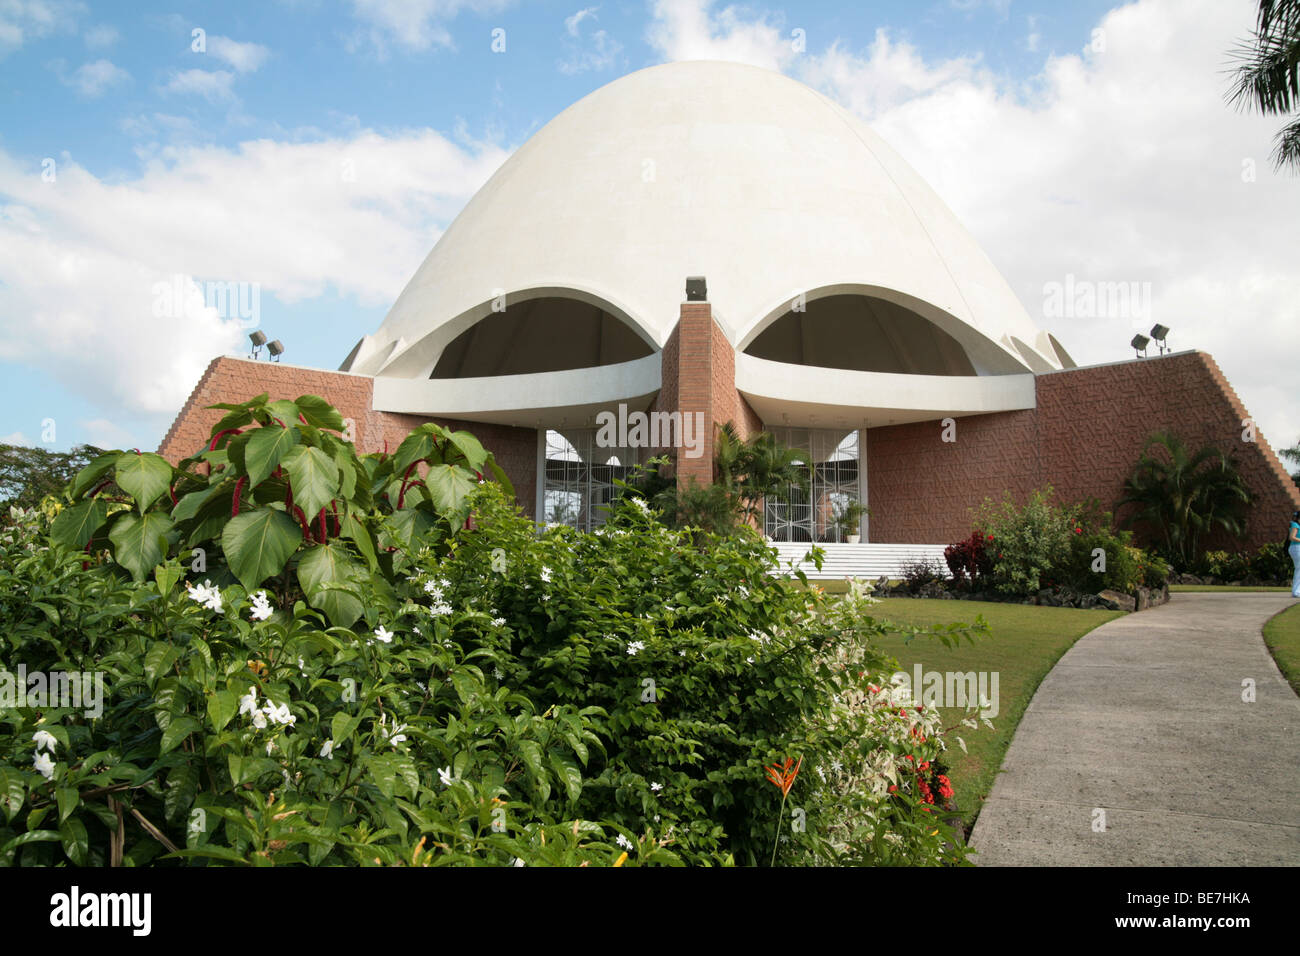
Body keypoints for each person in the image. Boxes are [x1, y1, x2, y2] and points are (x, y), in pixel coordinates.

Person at [1290, 510, 1300, 599]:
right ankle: (1296, 592)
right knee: (1299, 569)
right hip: (1296, 548)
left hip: (1298, 548)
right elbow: (1292, 537)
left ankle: (1296, 591)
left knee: (1299, 569)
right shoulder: (1295, 525)